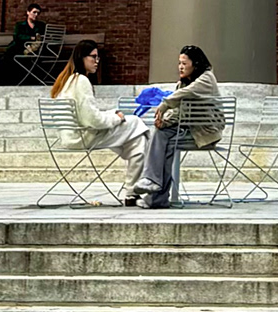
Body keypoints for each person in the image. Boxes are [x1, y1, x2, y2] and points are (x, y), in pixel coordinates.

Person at [128, 45, 224, 210]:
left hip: (205, 134)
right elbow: (180, 112)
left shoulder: (207, 78)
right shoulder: (183, 83)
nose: (180, 67)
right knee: (160, 132)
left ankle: (155, 194)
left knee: (167, 144)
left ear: (195, 64)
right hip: (190, 130)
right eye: (179, 63)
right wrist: (164, 122)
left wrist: (165, 104)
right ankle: (152, 184)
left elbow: (185, 94)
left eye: (184, 63)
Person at [52, 38, 151, 182]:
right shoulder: (81, 81)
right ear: (82, 57)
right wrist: (117, 118)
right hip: (82, 138)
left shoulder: (68, 80)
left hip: (72, 137)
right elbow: (93, 120)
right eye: (93, 57)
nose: (97, 61)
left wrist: (112, 114)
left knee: (137, 141)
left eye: (98, 57)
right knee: (136, 123)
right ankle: (138, 185)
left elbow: (88, 115)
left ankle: (134, 188)